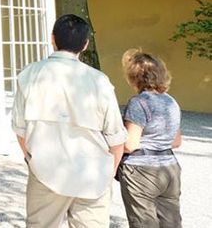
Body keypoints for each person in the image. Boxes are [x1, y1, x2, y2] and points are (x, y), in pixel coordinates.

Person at [11, 14, 127, 227]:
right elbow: (116, 138)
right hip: (93, 172)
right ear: (85, 44)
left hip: (45, 169)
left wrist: (31, 159)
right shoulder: (99, 81)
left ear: (52, 38)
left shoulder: (29, 75)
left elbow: (20, 130)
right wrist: (108, 173)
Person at [119, 49, 182, 227]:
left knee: (144, 223)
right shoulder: (171, 102)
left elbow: (130, 144)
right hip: (169, 168)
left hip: (141, 170)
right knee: (171, 222)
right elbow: (176, 141)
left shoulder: (139, 102)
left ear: (133, 77)